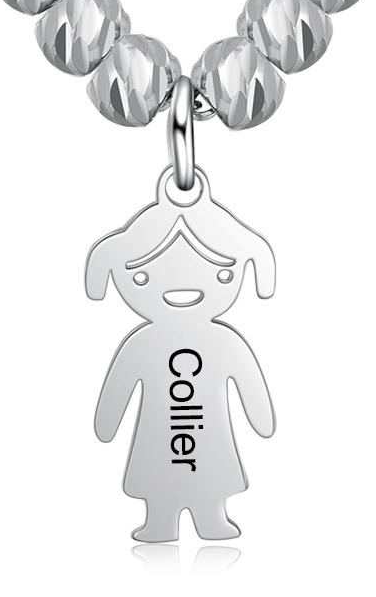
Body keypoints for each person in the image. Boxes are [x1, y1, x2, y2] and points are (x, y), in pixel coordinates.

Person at [86, 169, 276, 541]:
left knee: (209, 474)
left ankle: (211, 519)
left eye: (222, 274)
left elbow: (249, 383)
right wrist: (106, 421)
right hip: (168, 438)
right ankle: (160, 521)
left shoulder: (221, 342)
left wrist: (261, 416)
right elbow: (119, 386)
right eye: (142, 277)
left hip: (198, 439)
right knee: (164, 480)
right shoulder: (143, 344)